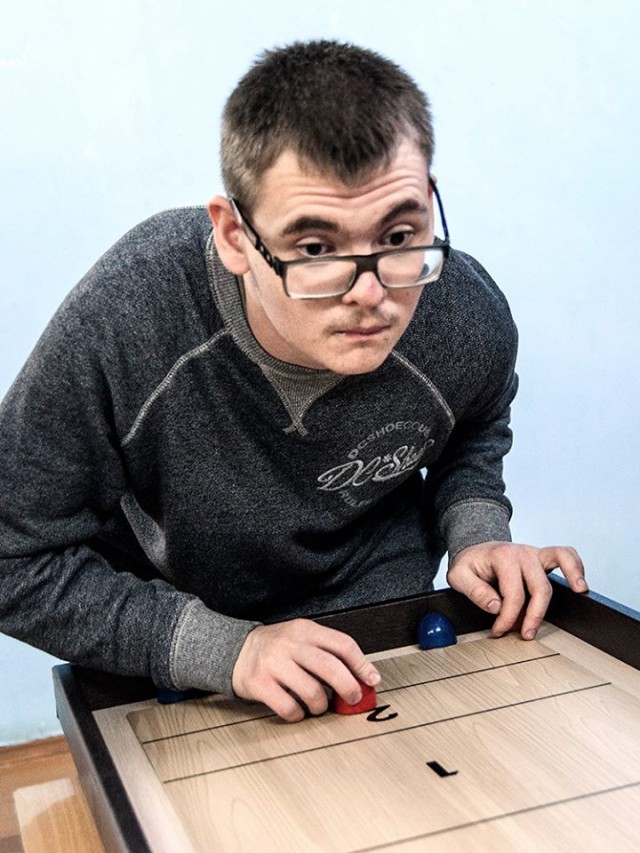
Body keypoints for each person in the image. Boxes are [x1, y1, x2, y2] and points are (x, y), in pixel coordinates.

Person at [0, 40, 586, 723]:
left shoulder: (467, 313)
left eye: (400, 235)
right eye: (314, 249)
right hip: (184, 640)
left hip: (376, 624)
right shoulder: (128, 316)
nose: (371, 295)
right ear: (234, 236)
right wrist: (227, 649)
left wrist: (478, 530)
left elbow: (474, 426)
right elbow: (11, 557)